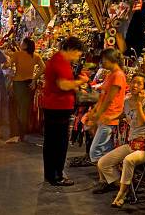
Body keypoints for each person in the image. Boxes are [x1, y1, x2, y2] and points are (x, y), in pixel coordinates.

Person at [94, 74, 145, 208]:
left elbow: (141, 122)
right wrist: (104, 117)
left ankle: (122, 193)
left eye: (139, 83)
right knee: (103, 163)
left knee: (128, 160)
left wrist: (138, 103)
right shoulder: (127, 101)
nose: (135, 85)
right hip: (131, 144)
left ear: (144, 87)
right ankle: (123, 186)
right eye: (133, 82)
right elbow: (121, 114)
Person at [41, 37, 88, 186]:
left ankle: (50, 174)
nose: (77, 58)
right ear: (72, 50)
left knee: (51, 142)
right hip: (58, 107)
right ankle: (57, 176)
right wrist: (81, 81)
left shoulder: (57, 59)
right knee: (58, 143)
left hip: (53, 105)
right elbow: (64, 85)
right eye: (77, 54)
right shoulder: (60, 61)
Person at [86, 48, 127, 164]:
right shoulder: (111, 74)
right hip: (104, 115)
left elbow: (110, 99)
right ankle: (106, 179)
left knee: (95, 152)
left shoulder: (118, 75)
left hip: (109, 117)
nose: (102, 62)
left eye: (104, 59)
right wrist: (95, 111)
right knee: (105, 150)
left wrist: (98, 114)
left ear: (111, 59)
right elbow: (104, 96)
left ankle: (110, 177)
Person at [7, 38, 45, 143]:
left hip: (18, 83)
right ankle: (22, 134)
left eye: (22, 42)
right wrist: (34, 79)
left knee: (16, 108)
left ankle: (16, 133)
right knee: (25, 109)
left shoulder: (17, 54)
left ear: (26, 45)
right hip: (29, 83)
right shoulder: (35, 55)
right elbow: (43, 67)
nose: (20, 43)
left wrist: (10, 72)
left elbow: (8, 65)